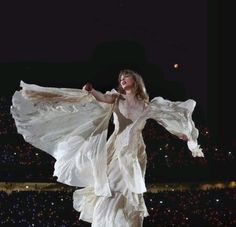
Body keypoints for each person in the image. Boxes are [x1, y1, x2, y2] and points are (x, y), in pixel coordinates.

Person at [10, 69, 204, 227]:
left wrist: (184, 135)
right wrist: (91, 91)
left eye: (125, 76)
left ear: (135, 80)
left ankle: (131, 220)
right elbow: (101, 97)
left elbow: (166, 118)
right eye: (120, 78)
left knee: (130, 189)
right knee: (111, 185)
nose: (122, 79)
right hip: (116, 147)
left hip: (135, 152)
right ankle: (106, 220)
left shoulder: (146, 105)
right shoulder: (116, 99)